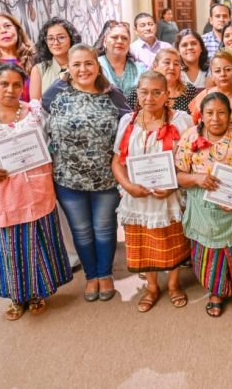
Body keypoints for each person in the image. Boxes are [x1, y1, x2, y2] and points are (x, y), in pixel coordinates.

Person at [0, 63, 72, 320]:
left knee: (39, 242)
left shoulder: (34, 114)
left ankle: (39, 292)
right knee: (8, 247)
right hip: (1, 193)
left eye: (16, 85)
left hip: (35, 190)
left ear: (23, 87)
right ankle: (16, 297)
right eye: (4, 84)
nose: (10, 90)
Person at [43, 44, 131, 303]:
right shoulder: (55, 97)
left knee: (104, 228)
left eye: (88, 63)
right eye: (77, 64)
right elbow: (36, 120)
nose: (83, 69)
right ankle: (91, 276)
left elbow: (128, 130)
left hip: (106, 178)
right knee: (81, 230)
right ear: (68, 69)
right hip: (68, 178)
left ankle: (105, 274)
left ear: (98, 65)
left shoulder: (112, 95)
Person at [112, 71, 192, 312]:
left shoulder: (181, 120)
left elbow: (190, 160)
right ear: (137, 93)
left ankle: (175, 284)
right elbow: (117, 161)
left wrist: (172, 184)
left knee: (174, 240)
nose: (150, 97)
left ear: (167, 94)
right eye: (144, 91)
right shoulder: (128, 122)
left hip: (169, 195)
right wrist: (127, 186)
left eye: (157, 92)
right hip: (136, 196)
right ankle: (152, 287)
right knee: (143, 243)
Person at [176, 93, 232, 317]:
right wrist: (196, 179)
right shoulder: (189, 138)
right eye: (209, 113)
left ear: (230, 114)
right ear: (201, 116)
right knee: (210, 253)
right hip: (205, 211)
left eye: (221, 112)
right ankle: (215, 292)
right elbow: (178, 176)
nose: (215, 118)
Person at [126, 48, 198, 112]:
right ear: (155, 66)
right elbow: (129, 118)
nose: (172, 67)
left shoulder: (189, 90)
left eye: (176, 64)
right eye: (167, 62)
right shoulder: (140, 90)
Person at [29, 17, 81, 100]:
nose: (56, 43)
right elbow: (35, 108)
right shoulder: (39, 70)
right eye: (50, 39)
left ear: (71, 38)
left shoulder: (82, 66)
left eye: (61, 37)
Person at [190, 50, 232, 125]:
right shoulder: (203, 96)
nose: (223, 74)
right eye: (217, 71)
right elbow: (193, 124)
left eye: (228, 69)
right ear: (212, 76)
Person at [98, 22, 145, 95]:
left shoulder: (140, 69)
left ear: (129, 43)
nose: (120, 41)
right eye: (114, 37)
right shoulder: (95, 66)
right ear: (105, 41)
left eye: (124, 38)